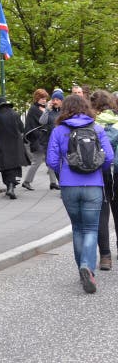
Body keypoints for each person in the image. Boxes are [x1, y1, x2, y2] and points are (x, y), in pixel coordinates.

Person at [46, 94, 114, 293]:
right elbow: (109, 157)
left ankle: (81, 269)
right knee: (91, 229)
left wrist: (63, 174)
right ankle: (87, 267)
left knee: (77, 228)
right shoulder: (97, 128)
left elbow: (51, 161)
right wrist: (97, 171)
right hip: (93, 185)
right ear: (86, 108)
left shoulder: (59, 131)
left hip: (69, 185)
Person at [91, 90, 118, 270]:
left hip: (98, 173)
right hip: (117, 171)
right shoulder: (117, 122)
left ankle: (106, 257)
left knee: (101, 214)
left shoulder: (90, 124)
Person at [0, 96, 28, 200]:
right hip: (16, 145)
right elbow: (21, 128)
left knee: (5, 167)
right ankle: (12, 186)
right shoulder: (15, 114)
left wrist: (0, 135)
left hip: (2, 145)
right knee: (15, 166)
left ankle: (9, 187)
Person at [22, 88, 59, 191]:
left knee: (50, 161)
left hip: (46, 139)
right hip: (38, 139)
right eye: (42, 98)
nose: (44, 100)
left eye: (45, 98)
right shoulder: (34, 109)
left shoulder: (44, 108)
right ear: (37, 98)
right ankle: (26, 181)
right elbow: (40, 123)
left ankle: (53, 182)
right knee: (37, 161)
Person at [39, 89, 64, 190]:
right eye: (53, 99)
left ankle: (63, 186)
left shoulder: (65, 112)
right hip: (50, 141)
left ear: (62, 101)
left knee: (63, 164)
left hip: (63, 142)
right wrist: (47, 110)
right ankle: (58, 182)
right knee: (53, 164)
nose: (55, 101)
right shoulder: (49, 111)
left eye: (57, 99)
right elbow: (41, 122)